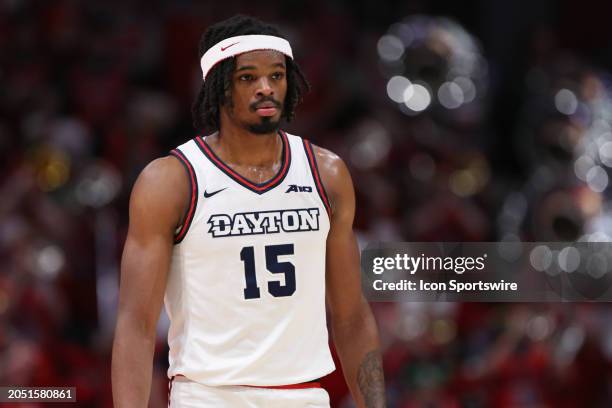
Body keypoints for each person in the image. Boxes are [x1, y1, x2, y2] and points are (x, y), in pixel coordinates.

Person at [111, 15, 386, 408]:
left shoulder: (326, 174)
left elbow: (352, 317)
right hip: (209, 396)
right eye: (247, 78)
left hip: (304, 395)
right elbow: (135, 325)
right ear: (218, 86)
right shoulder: (172, 181)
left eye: (276, 75)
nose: (265, 88)